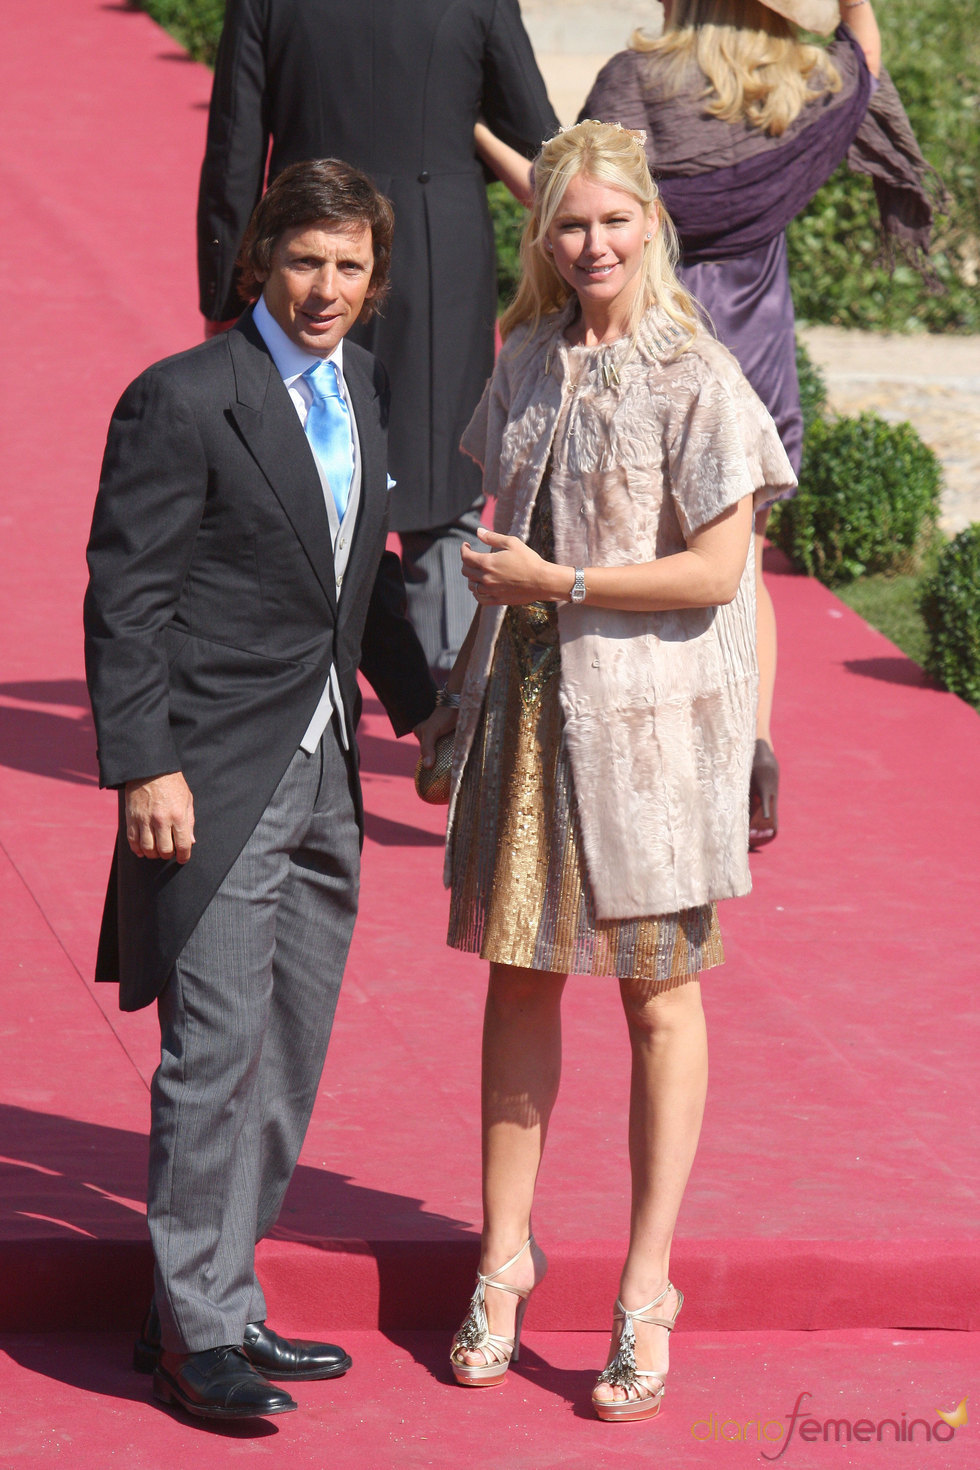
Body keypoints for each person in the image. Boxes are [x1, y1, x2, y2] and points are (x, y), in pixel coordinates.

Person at [416, 120, 795, 1422]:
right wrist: (457, 692)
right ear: (545, 233)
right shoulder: (524, 358)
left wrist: (561, 584)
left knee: (657, 1004)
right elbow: (495, 549)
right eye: (570, 223)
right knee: (519, 986)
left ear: (651, 225)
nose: (592, 243)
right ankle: (503, 1258)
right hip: (525, 714)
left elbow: (716, 572)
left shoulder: (698, 373)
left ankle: (644, 1289)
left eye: (614, 221)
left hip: (652, 733)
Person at [85, 159, 437, 1422]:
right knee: (215, 1051)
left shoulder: (359, 391)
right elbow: (126, 599)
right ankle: (196, 1337)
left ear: (374, 279)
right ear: (258, 265)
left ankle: (211, 1300)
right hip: (216, 772)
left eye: (349, 266)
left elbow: (363, 579)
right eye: (305, 261)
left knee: (286, 1052)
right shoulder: (182, 400)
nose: (327, 287)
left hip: (328, 763)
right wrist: (144, 765)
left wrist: (429, 707)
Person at [582, 0, 940, 845]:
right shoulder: (811, 86)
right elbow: (863, 54)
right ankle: (751, 742)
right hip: (757, 341)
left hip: (659, 336)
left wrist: (485, 141)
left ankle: (648, 757)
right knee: (738, 565)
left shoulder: (637, 80)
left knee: (639, 556)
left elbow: (596, 198)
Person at [197, 0, 558, 676]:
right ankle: (443, 682)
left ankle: (293, 672)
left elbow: (236, 148)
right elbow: (536, 133)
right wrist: (456, 126)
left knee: (298, 454)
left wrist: (226, 290)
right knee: (444, 467)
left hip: (311, 243)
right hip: (437, 243)